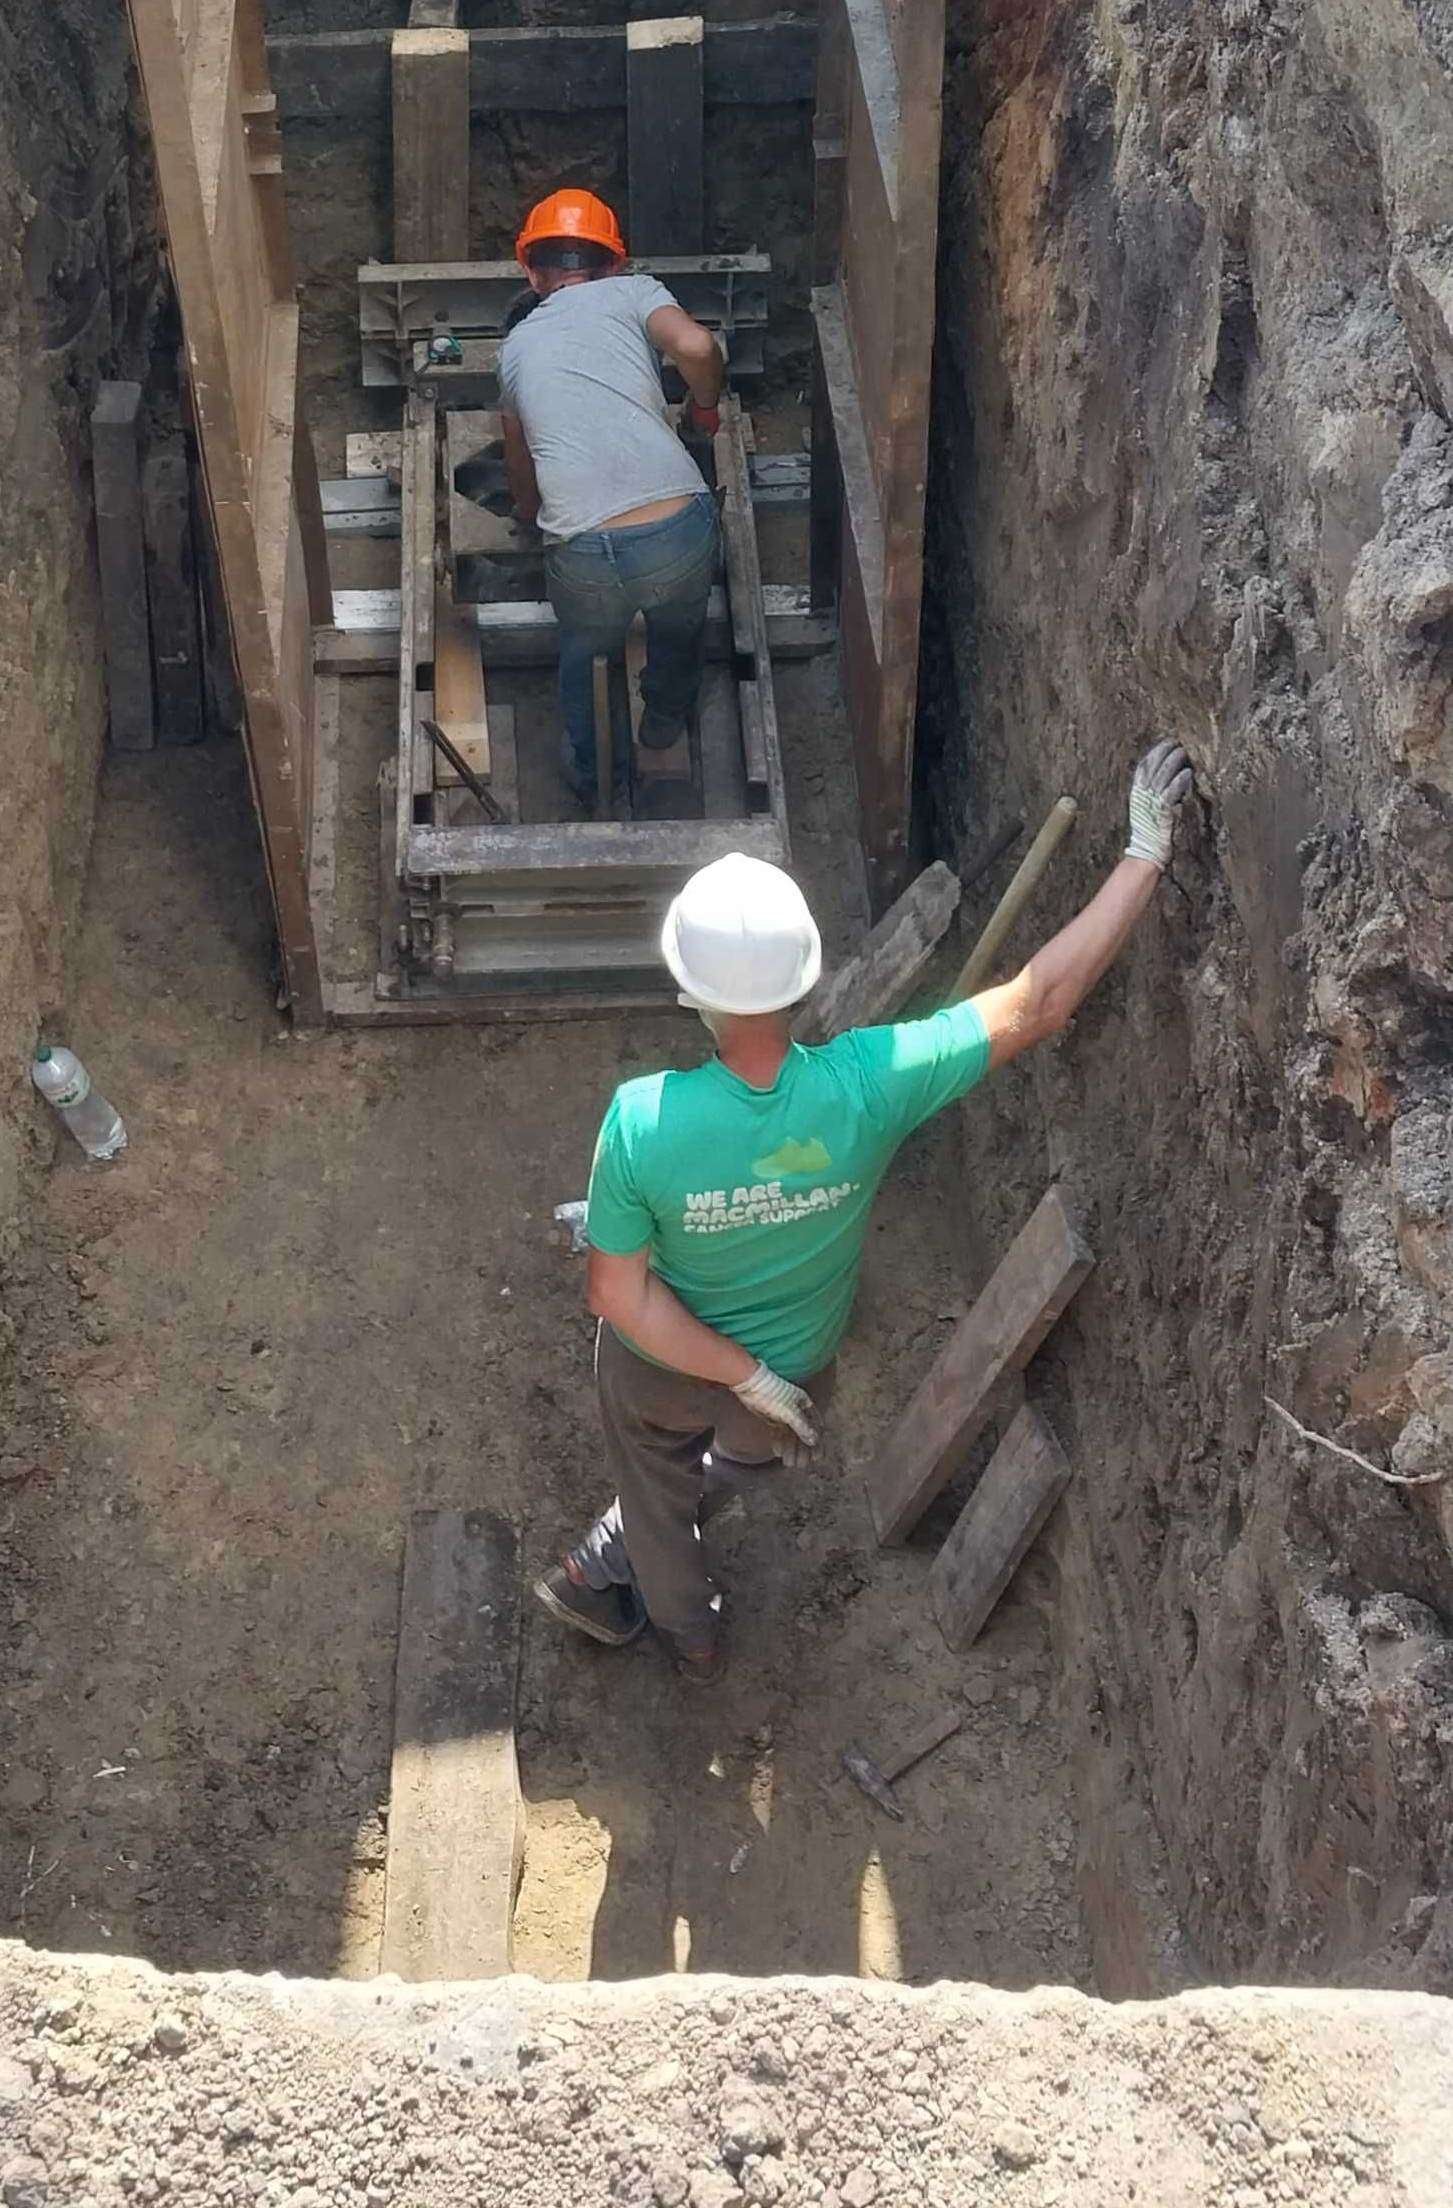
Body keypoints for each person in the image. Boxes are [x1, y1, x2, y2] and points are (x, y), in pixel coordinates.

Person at [535, 745, 1194, 1680]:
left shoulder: (641, 1123)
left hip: (657, 1371)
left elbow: (618, 1296)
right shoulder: (871, 1085)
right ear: (805, 981)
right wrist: (1145, 852)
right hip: (800, 1364)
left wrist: (727, 1361)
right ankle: (649, 1535)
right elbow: (1040, 1000)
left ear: (689, 994)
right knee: (754, 1451)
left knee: (653, 1490)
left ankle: (689, 1632)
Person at [498, 188, 726, 812]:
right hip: (677, 525)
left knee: (587, 658)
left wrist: (527, 515)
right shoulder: (634, 293)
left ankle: (600, 776)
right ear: (616, 263)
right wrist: (702, 407)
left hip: (587, 549)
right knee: (679, 626)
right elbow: (700, 349)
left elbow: (522, 472)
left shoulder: (514, 350)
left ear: (530, 270)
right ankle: (664, 721)